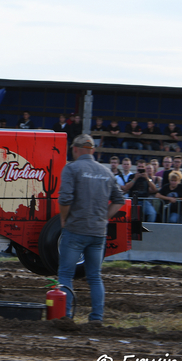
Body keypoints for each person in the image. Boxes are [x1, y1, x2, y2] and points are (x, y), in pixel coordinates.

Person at [58, 134, 125, 324]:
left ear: (76, 149)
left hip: (76, 229)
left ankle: (66, 316)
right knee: (94, 276)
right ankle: (96, 318)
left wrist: (63, 219)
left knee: (65, 274)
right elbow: (119, 200)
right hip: (98, 232)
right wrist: (104, 218)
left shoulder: (72, 168)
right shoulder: (107, 172)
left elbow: (65, 199)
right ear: (92, 151)